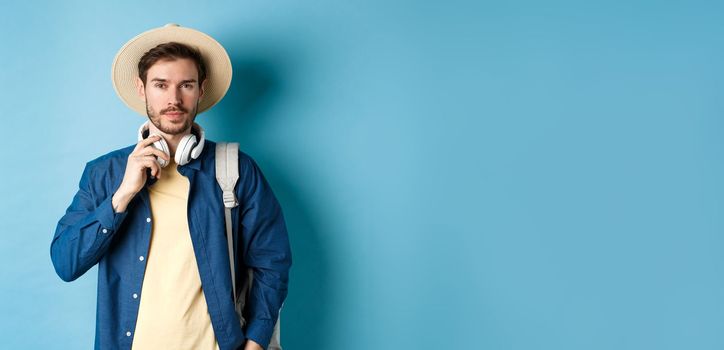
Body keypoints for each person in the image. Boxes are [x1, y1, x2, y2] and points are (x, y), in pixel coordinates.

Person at [49, 24, 292, 350]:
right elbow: (66, 263)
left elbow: (272, 261)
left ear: (201, 90)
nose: (174, 99)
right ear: (142, 88)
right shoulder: (104, 173)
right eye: (161, 85)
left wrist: (256, 341)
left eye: (186, 85)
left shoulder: (235, 170)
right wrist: (123, 195)